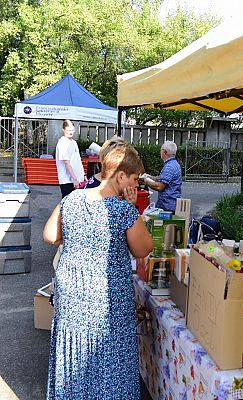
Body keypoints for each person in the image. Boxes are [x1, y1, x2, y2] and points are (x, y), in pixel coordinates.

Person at [43, 143, 153, 399]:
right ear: (121, 175)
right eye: (135, 179)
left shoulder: (73, 198)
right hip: (107, 301)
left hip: (71, 296)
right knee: (110, 359)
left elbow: (50, 236)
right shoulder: (123, 210)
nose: (136, 185)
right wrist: (131, 208)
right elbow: (143, 248)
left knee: (76, 357)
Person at [142, 141, 182, 212]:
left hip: (167, 206)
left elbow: (159, 187)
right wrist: (151, 177)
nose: (160, 152)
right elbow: (164, 178)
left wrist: (146, 181)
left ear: (165, 152)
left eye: (161, 150)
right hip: (172, 204)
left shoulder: (169, 167)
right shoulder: (174, 164)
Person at [55, 120, 85, 198]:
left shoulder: (74, 142)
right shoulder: (62, 143)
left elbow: (78, 160)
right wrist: (74, 179)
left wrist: (83, 175)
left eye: (72, 130)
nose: (70, 132)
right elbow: (66, 162)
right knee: (67, 204)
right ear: (63, 130)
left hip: (77, 178)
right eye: (68, 130)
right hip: (67, 180)